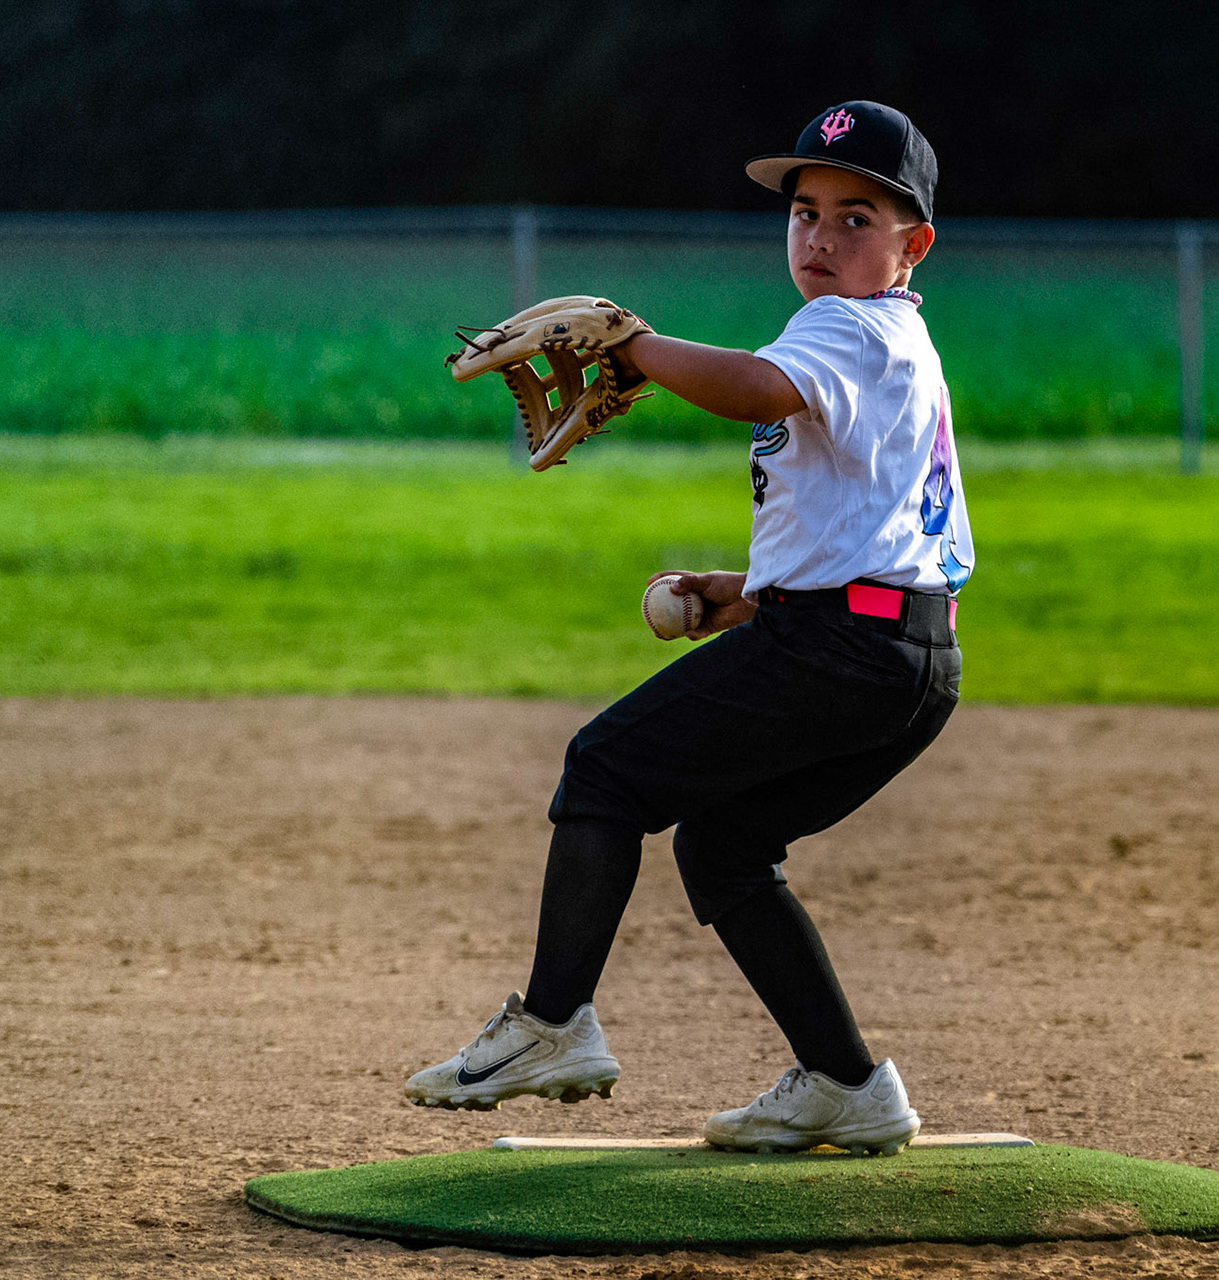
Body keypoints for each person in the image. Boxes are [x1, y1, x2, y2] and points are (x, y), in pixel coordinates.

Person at [403, 101, 973, 1156]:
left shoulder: (850, 327)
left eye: (859, 217)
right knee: (725, 845)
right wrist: (749, 593)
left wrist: (642, 345)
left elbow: (756, 384)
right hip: (906, 657)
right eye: (806, 211)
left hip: (844, 651)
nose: (821, 235)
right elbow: (889, 532)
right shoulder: (903, 347)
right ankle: (848, 1082)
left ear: (913, 245)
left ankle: (552, 1021)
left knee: (606, 769)